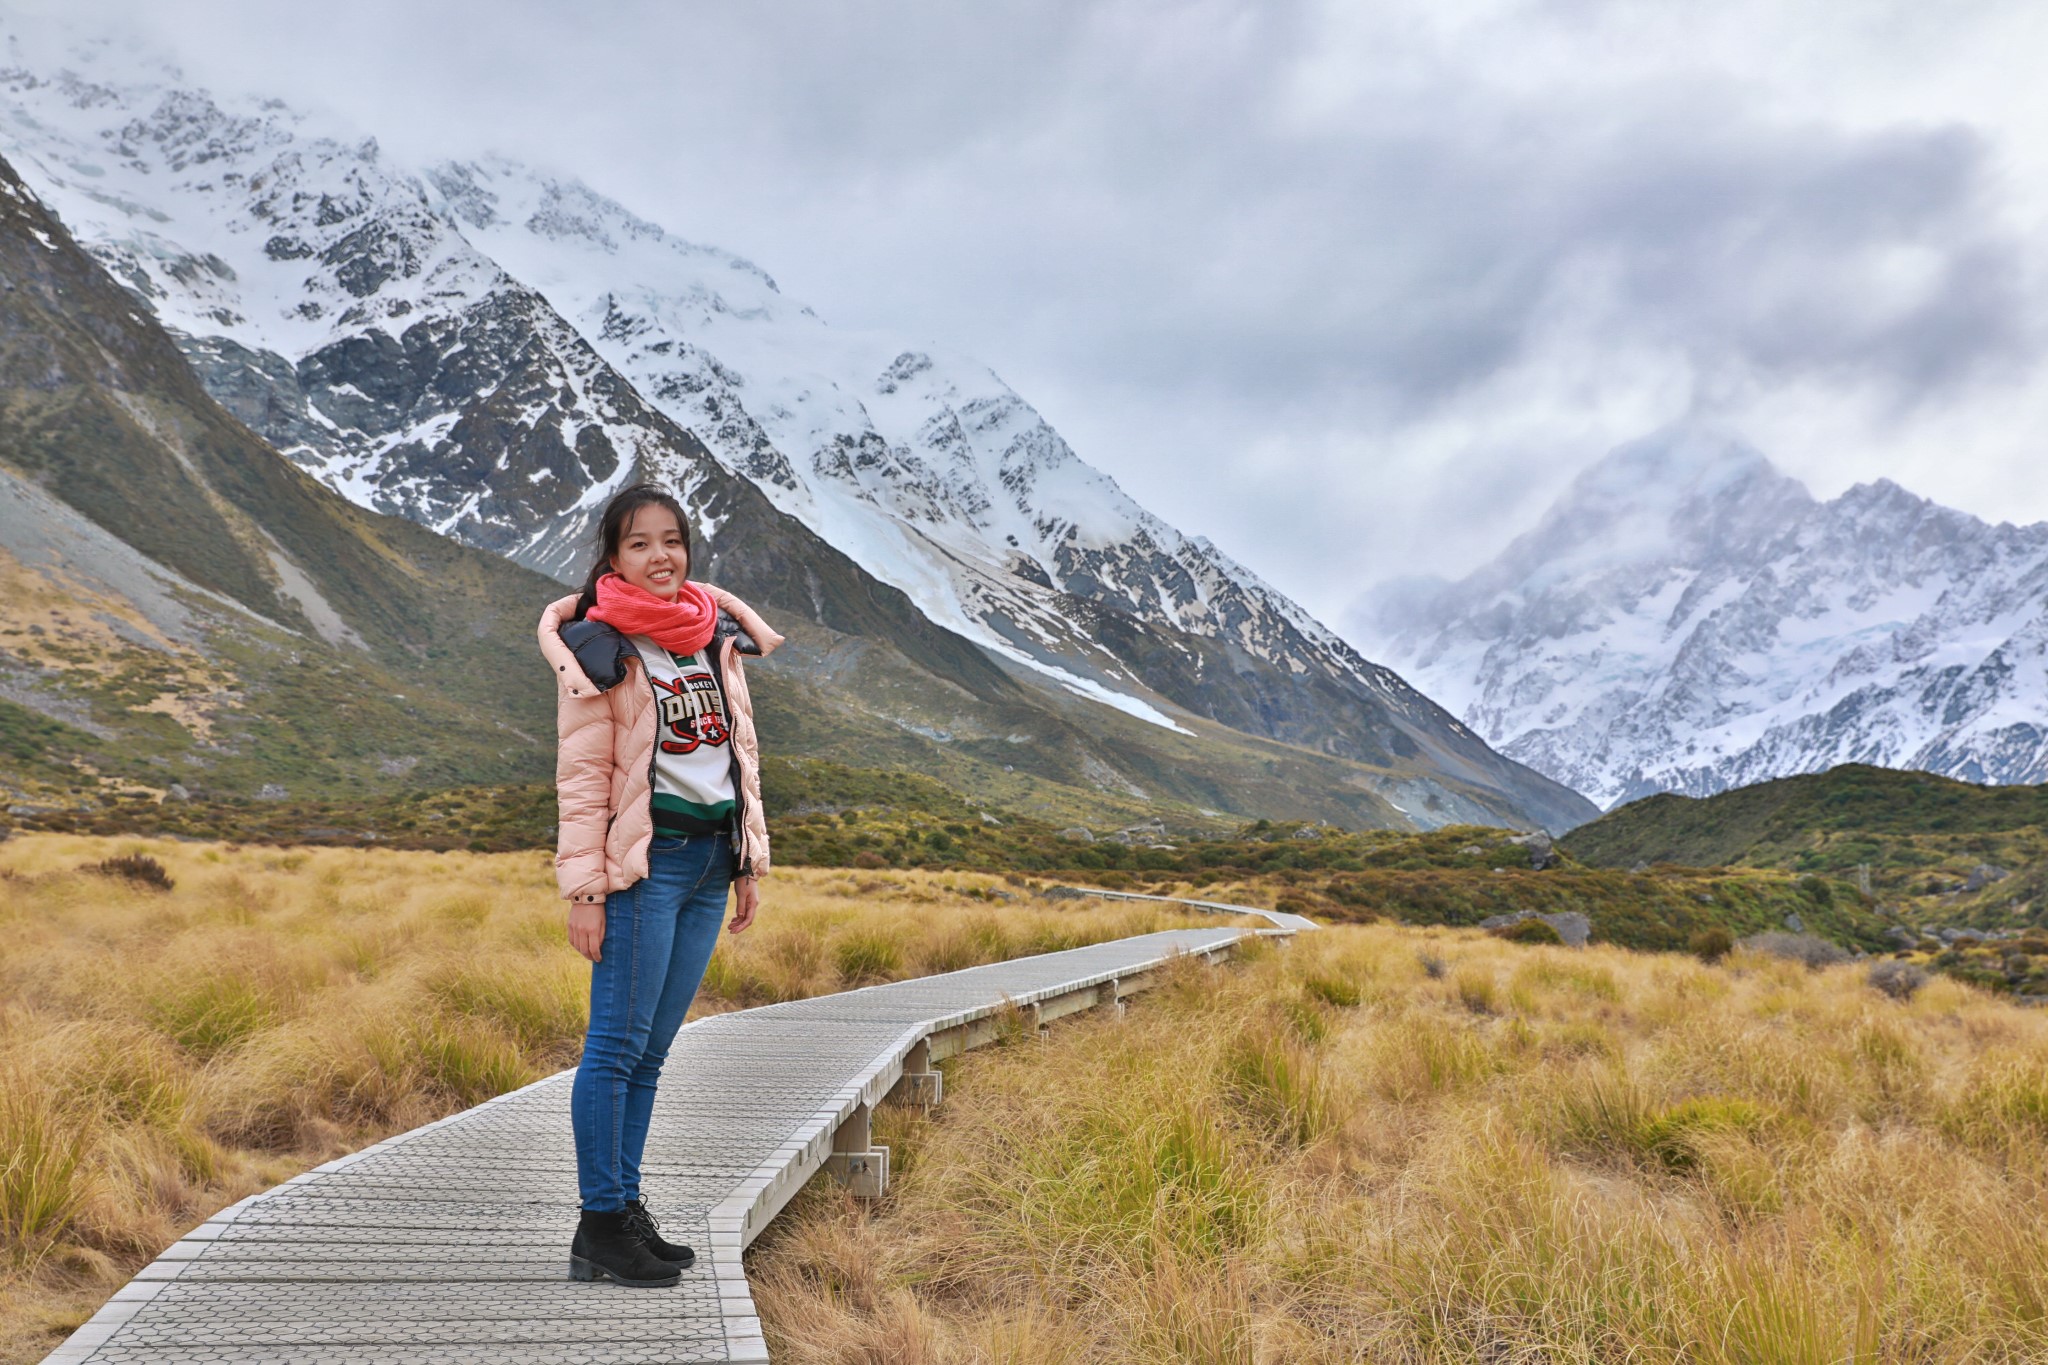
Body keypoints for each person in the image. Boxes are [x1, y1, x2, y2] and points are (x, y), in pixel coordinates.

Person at [537, 482, 783, 1288]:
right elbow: (584, 778)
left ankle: (623, 1206)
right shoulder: (601, 646)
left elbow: (735, 759)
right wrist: (584, 891)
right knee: (612, 1047)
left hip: (710, 863)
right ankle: (600, 1223)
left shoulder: (714, 637)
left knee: (650, 1053)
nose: (660, 556)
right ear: (613, 557)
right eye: (639, 543)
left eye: (672, 540)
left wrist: (747, 861)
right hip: (647, 867)